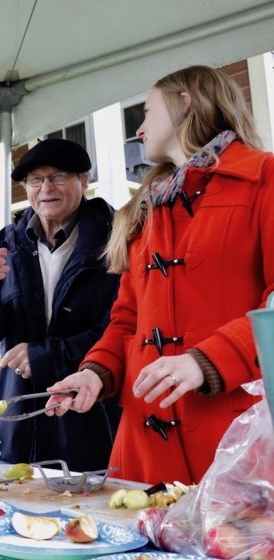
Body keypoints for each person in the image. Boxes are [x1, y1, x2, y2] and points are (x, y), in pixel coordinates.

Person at [46, 65, 272, 485]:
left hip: (234, 444)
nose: (139, 129)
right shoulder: (148, 208)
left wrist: (207, 362)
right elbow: (128, 320)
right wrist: (95, 372)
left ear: (184, 102)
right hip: (142, 449)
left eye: (146, 112)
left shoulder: (264, 178)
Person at [0, 138, 121, 472]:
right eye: (35, 179)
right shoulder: (7, 241)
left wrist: (44, 356)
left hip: (88, 418)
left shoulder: (114, 237)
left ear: (83, 181)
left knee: (84, 513)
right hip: (18, 423)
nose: (46, 188)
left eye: (58, 176)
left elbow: (123, 326)